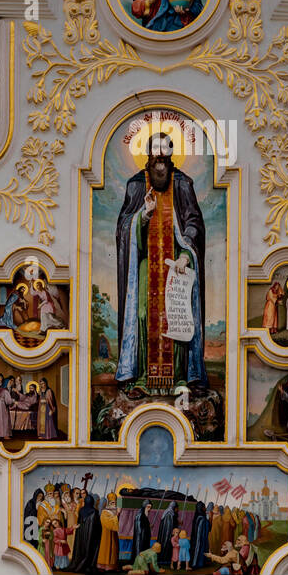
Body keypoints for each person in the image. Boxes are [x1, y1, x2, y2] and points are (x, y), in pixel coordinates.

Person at [115, 133, 207, 393]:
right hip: (146, 263)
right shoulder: (136, 186)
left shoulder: (182, 184)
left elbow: (194, 222)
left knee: (177, 315)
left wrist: (186, 253)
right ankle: (142, 376)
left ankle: (181, 376)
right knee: (145, 314)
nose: (160, 161)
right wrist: (142, 215)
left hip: (178, 263)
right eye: (155, 156)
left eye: (164, 156)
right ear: (148, 156)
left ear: (170, 156)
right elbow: (123, 228)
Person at [97, 493, 120, 571]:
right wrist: (116, 516)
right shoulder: (104, 512)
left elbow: (115, 524)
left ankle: (112, 565)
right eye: (113, 502)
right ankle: (104, 565)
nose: (114, 504)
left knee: (113, 548)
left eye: (115, 502)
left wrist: (116, 515)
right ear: (109, 503)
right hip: (106, 535)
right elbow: (108, 523)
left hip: (113, 534)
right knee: (106, 549)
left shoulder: (114, 511)